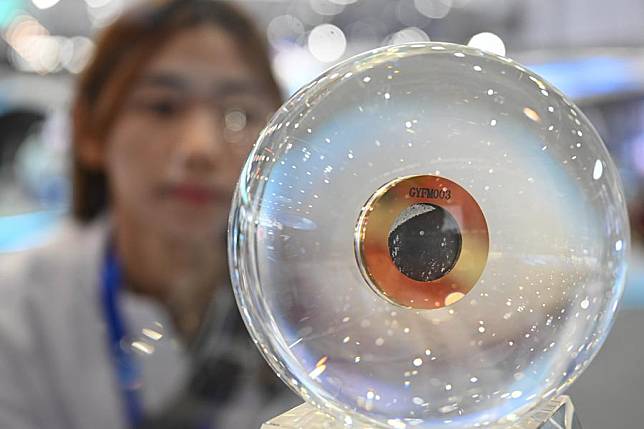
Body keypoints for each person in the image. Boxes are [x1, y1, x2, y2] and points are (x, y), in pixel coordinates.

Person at [0, 1, 299, 428]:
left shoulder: (317, 307)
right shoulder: (15, 314)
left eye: (239, 114)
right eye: (162, 107)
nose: (201, 148)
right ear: (91, 131)